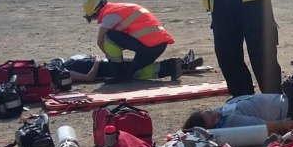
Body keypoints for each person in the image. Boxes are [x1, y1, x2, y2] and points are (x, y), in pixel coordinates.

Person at [81, 0, 176, 83]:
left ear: (96, 11)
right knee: (130, 73)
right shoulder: (121, 8)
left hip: (149, 47)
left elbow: (100, 41)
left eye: (94, 17)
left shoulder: (109, 15)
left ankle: (118, 74)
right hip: (159, 44)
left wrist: (110, 58)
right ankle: (172, 67)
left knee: (108, 37)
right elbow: (126, 39)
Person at [59, 54, 195, 82]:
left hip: (112, 61)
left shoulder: (69, 61)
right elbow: (89, 78)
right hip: (112, 70)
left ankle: (182, 64)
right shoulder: (66, 72)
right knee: (146, 70)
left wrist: (94, 58)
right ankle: (179, 65)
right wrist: (97, 63)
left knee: (145, 61)